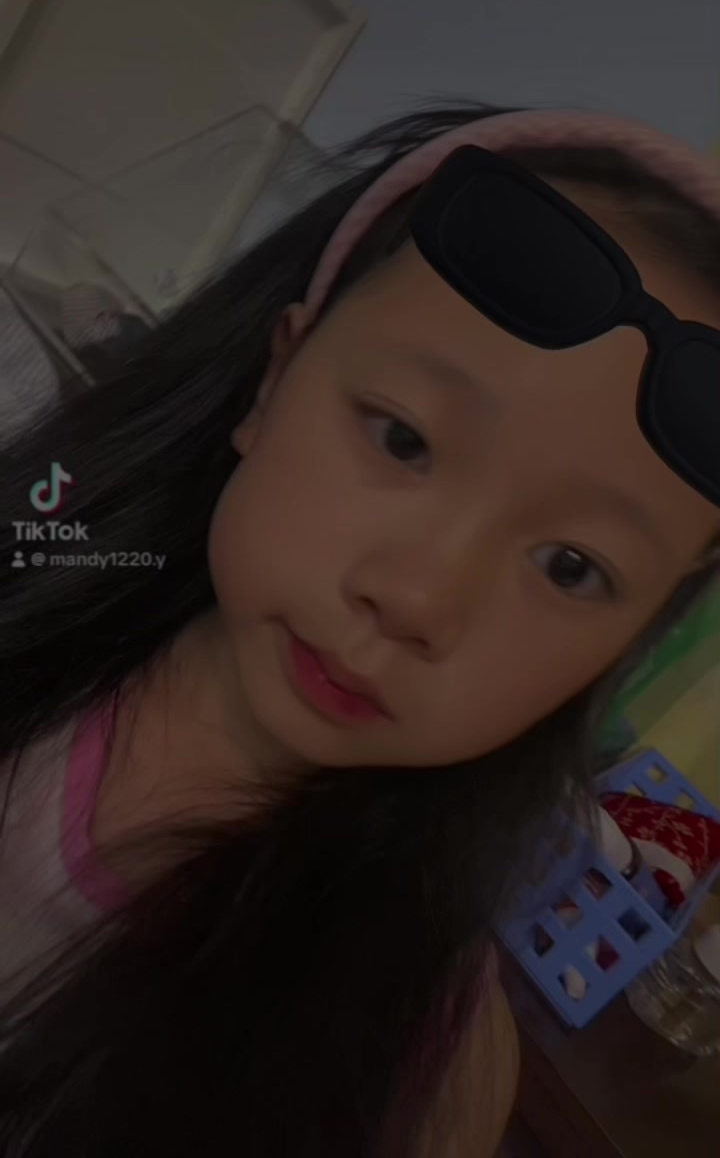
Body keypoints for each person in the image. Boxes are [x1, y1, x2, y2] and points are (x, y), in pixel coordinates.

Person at [0, 100, 719, 1157]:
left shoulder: (423, 1070)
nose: (419, 598)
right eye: (403, 438)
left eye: (572, 566)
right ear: (275, 378)